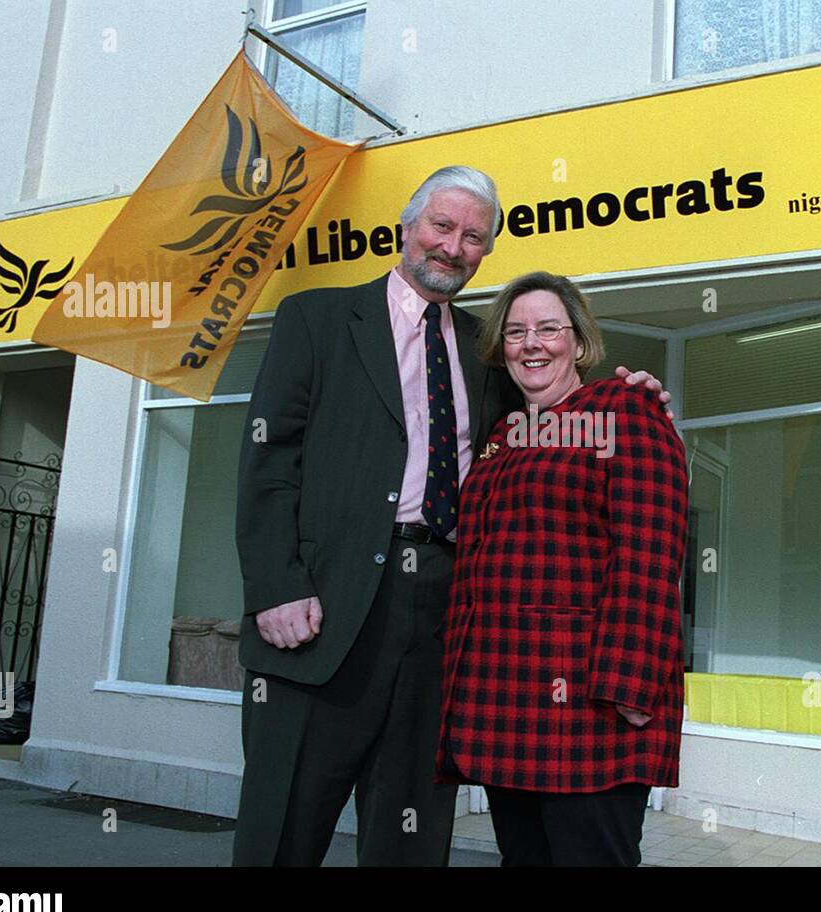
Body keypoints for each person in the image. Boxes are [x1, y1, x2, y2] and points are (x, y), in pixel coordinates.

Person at [231, 167, 671, 866]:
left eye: (473, 237)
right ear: (407, 228)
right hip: (323, 609)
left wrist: (628, 391)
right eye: (442, 226)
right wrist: (275, 585)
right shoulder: (315, 319)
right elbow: (267, 462)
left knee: (409, 835)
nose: (453, 246)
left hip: (445, 615)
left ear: (484, 252)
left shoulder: (485, 351)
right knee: (282, 828)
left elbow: (554, 406)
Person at [435, 271, 690, 867]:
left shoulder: (624, 408)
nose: (532, 343)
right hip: (504, 700)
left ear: (579, 343)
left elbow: (651, 552)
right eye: (517, 331)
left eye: (549, 328)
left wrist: (632, 685)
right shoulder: (502, 436)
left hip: (591, 706)